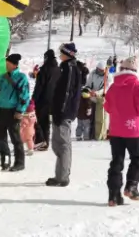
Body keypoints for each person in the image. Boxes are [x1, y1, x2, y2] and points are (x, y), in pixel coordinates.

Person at [103, 56, 139, 205]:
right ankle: (131, 185)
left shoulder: (112, 86)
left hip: (116, 130)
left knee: (116, 161)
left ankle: (113, 195)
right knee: (137, 159)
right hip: (132, 130)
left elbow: (107, 107)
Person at [47, 42, 82, 187]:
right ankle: (60, 175)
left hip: (63, 112)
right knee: (57, 144)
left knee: (62, 144)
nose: (59, 54)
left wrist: (61, 111)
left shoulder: (70, 69)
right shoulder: (65, 67)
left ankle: (62, 177)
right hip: (59, 111)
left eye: (61, 52)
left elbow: (67, 92)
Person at [0, 53, 30, 172]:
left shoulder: (21, 78)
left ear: (14, 65)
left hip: (14, 111)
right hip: (1, 110)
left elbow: (25, 96)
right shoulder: (1, 78)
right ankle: (5, 160)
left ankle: (19, 162)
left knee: (15, 138)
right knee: (0, 138)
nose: (6, 66)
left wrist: (20, 110)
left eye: (8, 64)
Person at [33, 48, 61, 150]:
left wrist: (33, 99)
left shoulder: (44, 70)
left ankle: (40, 141)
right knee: (47, 123)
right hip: (53, 100)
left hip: (42, 100)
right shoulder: (58, 70)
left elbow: (39, 86)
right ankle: (46, 143)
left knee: (39, 121)